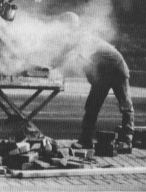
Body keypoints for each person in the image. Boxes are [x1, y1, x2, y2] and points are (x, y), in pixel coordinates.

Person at [56, 13, 135, 149]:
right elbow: (67, 54)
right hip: (104, 73)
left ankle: (127, 140)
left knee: (125, 105)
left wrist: (55, 68)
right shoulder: (76, 39)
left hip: (117, 69)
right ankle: (85, 140)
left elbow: (75, 56)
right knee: (91, 107)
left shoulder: (84, 38)